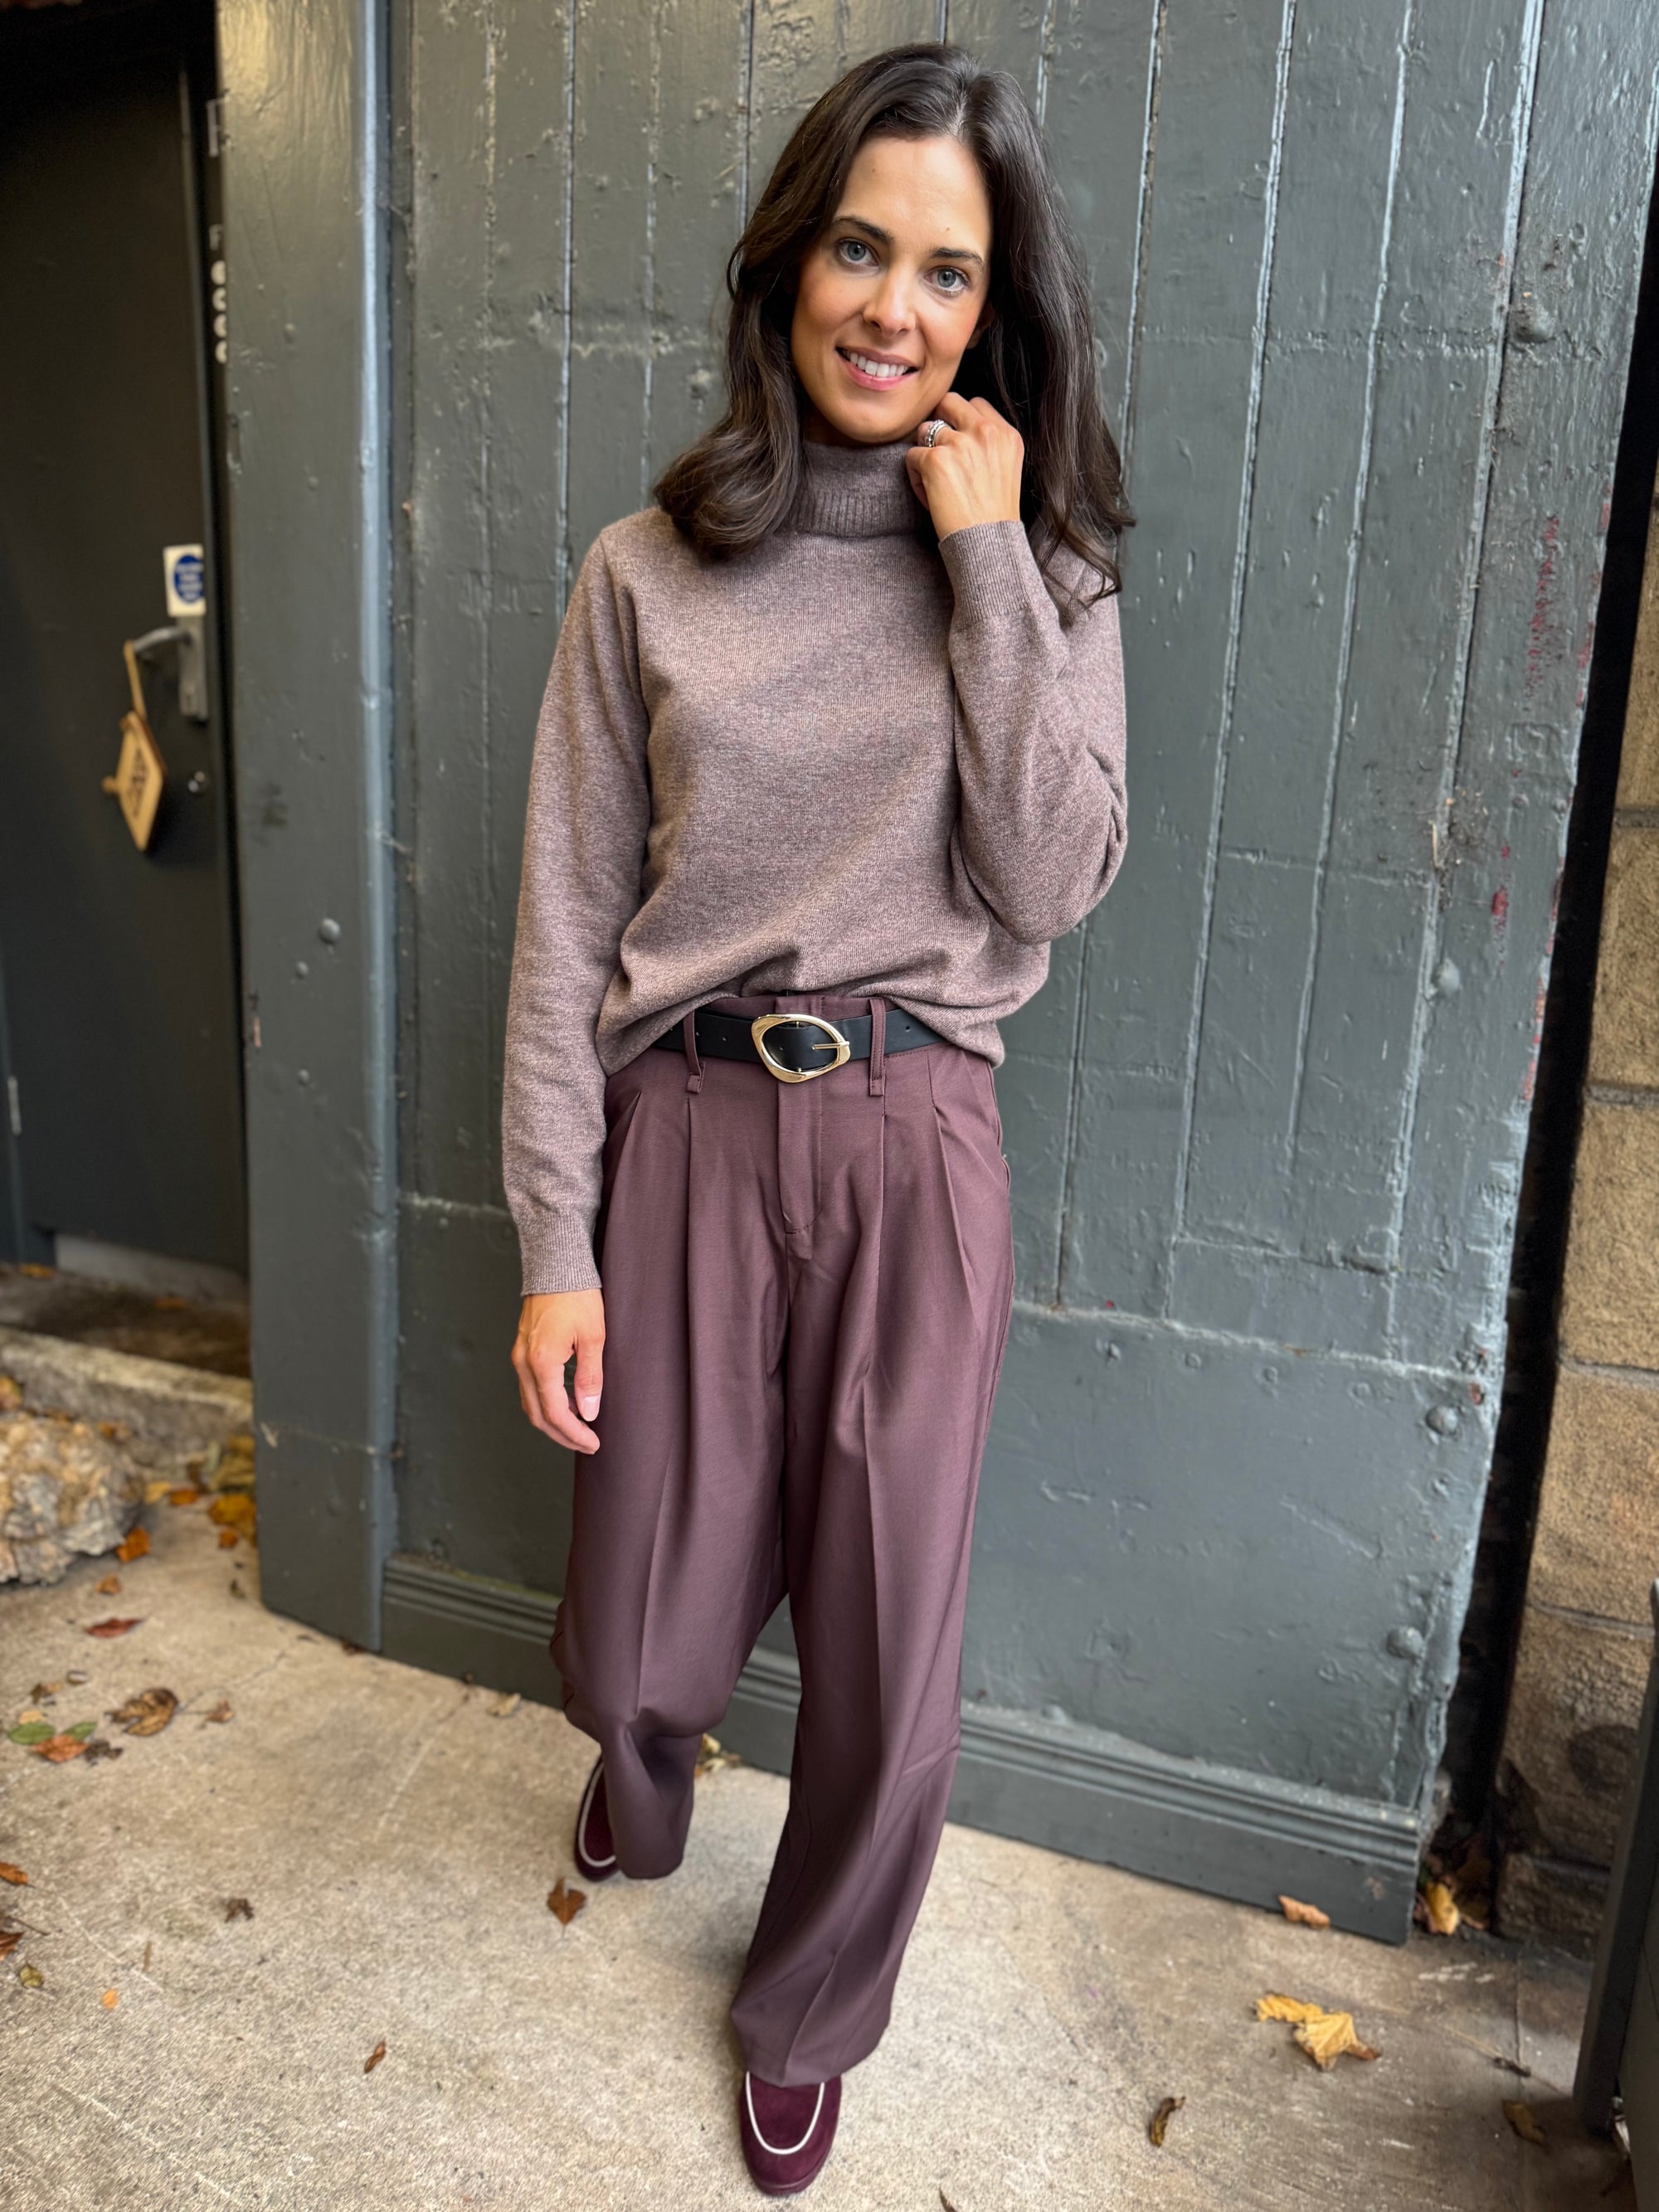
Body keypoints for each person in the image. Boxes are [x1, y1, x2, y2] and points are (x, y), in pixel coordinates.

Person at [502, 39, 1131, 2197]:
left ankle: (807, 2008)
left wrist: (987, 562)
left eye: (949, 273)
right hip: (680, 1132)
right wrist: (557, 1244)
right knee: (638, 1620)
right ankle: (643, 1772)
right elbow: (563, 926)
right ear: (787, 267)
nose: (894, 308)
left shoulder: (1049, 573)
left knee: (885, 1644)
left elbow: (1050, 874)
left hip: (915, 1141)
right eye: (861, 250)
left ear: (996, 314)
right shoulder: (645, 573)